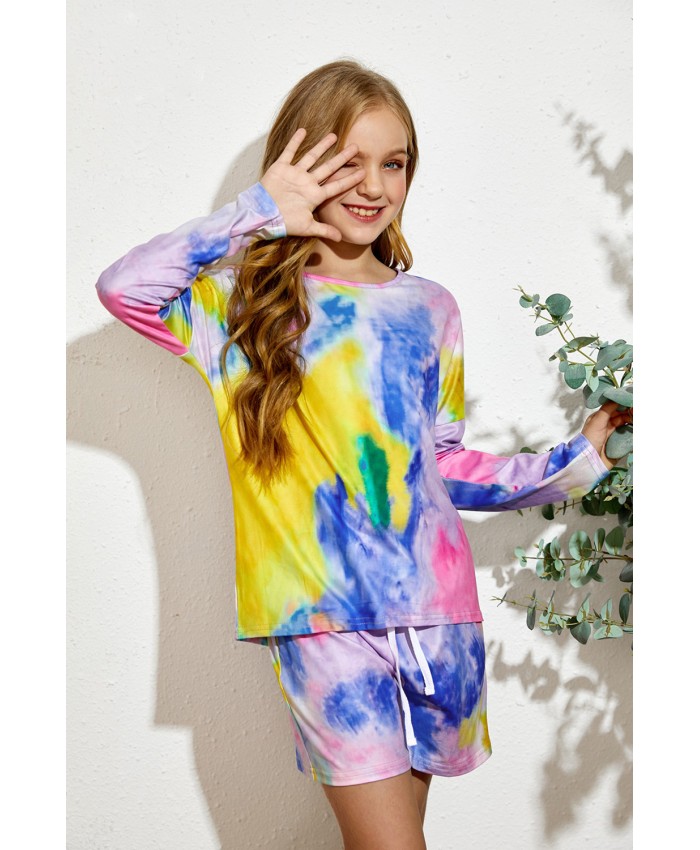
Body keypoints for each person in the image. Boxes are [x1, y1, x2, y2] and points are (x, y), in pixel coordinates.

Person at [95, 59, 629, 850]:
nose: (374, 186)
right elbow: (124, 288)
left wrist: (575, 460)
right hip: (321, 622)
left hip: (436, 615)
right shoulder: (235, 307)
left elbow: (439, 467)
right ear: (301, 162)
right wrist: (256, 211)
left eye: (394, 163)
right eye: (348, 162)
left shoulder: (430, 307)